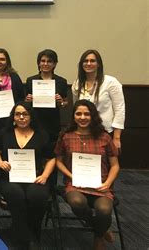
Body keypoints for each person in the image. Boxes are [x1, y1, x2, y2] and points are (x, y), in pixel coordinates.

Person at [55, 100, 120, 250]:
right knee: (76, 202)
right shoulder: (66, 136)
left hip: (101, 185)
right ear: (73, 116)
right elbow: (58, 161)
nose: (82, 117)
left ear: (93, 116)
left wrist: (108, 183)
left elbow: (115, 165)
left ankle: (98, 236)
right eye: (78, 113)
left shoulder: (104, 137)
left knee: (104, 210)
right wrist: (71, 175)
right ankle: (101, 229)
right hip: (75, 184)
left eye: (86, 114)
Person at [0, 102, 55, 249]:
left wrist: (45, 175)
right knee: (16, 195)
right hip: (10, 178)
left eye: (25, 114)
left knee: (37, 196)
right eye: (18, 114)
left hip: (35, 178)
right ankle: (30, 239)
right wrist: (0, 162)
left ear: (31, 116)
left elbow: (51, 158)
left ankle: (24, 233)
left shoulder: (42, 135)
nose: (21, 117)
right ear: (13, 117)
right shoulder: (5, 133)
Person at [72, 49, 125, 151]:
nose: (88, 63)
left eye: (92, 61)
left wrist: (116, 137)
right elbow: (76, 108)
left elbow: (119, 109)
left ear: (99, 64)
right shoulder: (77, 84)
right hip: (84, 132)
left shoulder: (111, 82)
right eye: (85, 61)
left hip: (106, 131)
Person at [25, 49, 68, 143]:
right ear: (38, 63)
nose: (46, 64)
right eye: (43, 61)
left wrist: (61, 101)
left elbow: (65, 103)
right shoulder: (30, 80)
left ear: (55, 64)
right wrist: (27, 100)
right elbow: (25, 103)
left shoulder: (61, 81)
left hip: (53, 121)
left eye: (49, 61)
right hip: (35, 120)